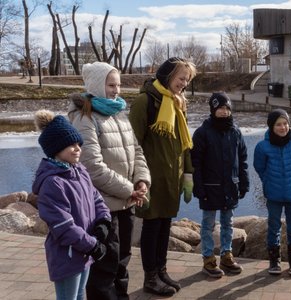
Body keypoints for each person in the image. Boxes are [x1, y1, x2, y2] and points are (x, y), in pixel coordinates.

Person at [67, 62, 151, 300]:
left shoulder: (119, 114)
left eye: (119, 85)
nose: (117, 90)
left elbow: (137, 151)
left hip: (126, 202)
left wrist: (142, 180)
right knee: (104, 267)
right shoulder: (85, 118)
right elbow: (92, 167)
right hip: (103, 207)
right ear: (96, 85)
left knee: (122, 261)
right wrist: (129, 190)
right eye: (111, 84)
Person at [129, 57, 197, 296]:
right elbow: (133, 144)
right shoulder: (144, 101)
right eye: (181, 78)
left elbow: (184, 143)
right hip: (151, 178)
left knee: (165, 225)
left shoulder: (178, 103)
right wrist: (138, 178)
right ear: (168, 76)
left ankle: (161, 270)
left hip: (172, 177)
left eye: (187, 80)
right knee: (151, 227)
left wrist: (188, 173)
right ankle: (150, 278)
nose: (184, 84)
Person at [32, 110, 111, 300]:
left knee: (80, 294)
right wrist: (92, 244)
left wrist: (103, 222)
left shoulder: (79, 170)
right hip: (67, 255)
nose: (77, 148)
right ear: (55, 149)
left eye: (78, 144)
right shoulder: (53, 183)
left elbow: (96, 198)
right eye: (70, 145)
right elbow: (62, 225)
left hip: (84, 250)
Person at [191, 92, 250, 278]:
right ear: (213, 109)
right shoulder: (202, 133)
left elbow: (243, 160)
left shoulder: (236, 132)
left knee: (228, 223)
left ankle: (226, 255)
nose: (224, 112)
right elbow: (196, 164)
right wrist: (198, 186)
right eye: (220, 108)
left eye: (227, 108)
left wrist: (244, 182)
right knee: (208, 224)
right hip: (210, 187)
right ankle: (208, 259)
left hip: (230, 186)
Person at [253, 109, 291, 276]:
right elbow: (259, 167)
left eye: (285, 123)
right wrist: (269, 181)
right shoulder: (262, 146)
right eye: (278, 124)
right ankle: (274, 262)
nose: (283, 127)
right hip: (274, 194)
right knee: (273, 227)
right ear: (271, 126)